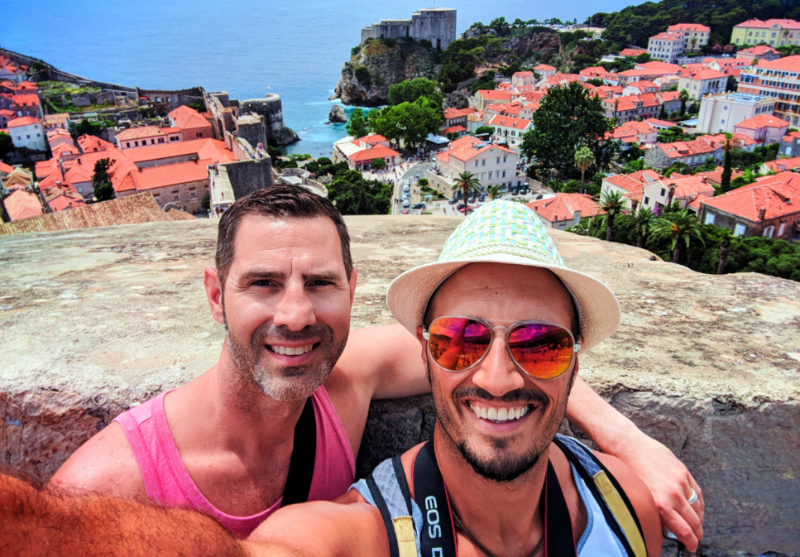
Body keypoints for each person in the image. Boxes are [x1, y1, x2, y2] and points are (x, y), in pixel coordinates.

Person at [0, 201, 684, 555]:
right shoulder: (98, 487)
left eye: (541, 345)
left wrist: (628, 437)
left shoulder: (622, 508)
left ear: (351, 292)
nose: (295, 316)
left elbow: (492, 364)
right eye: (263, 283)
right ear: (215, 295)